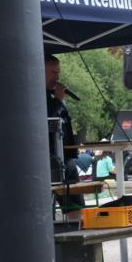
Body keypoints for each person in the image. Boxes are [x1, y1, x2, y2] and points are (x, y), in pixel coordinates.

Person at [45, 55, 84, 217]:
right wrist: (58, 101)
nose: (57, 77)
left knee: (77, 208)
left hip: (66, 157)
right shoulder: (34, 96)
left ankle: (79, 233)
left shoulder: (54, 96)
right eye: (53, 72)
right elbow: (45, 122)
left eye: (58, 73)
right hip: (49, 159)